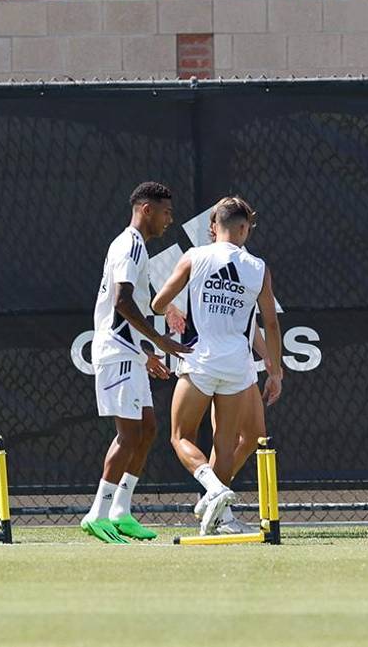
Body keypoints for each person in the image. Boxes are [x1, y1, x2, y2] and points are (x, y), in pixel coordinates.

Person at [151, 196, 284, 536]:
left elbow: (158, 302)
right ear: (242, 228)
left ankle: (213, 489)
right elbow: (270, 323)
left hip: (201, 362)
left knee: (180, 436)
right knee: (225, 444)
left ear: (216, 228)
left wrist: (171, 310)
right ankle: (221, 515)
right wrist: (276, 371)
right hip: (238, 367)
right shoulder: (258, 267)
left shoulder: (195, 256)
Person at [83, 181, 192, 544]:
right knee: (129, 435)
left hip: (129, 351)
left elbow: (129, 308)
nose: (169, 220)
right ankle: (97, 514)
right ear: (146, 209)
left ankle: (121, 511)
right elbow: (122, 302)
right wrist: (158, 340)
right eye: (165, 212)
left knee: (147, 430)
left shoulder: (138, 247)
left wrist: (145, 351)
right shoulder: (129, 244)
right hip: (116, 352)